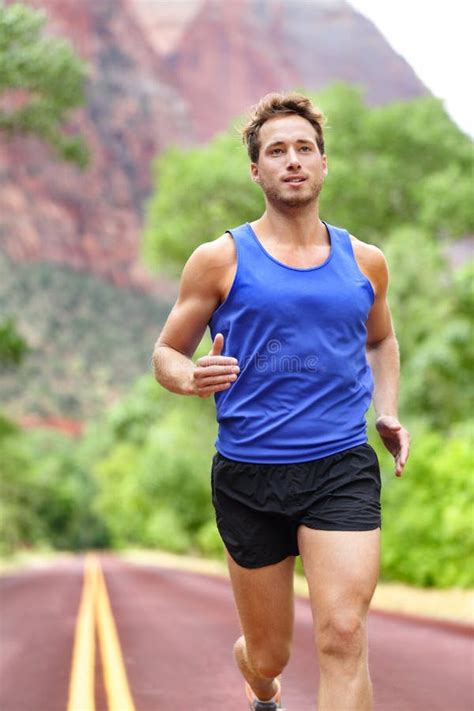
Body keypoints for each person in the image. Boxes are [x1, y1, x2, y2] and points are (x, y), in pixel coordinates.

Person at [152, 92, 410, 711]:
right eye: (276, 151)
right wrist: (191, 378)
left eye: (304, 148)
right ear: (256, 170)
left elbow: (382, 339)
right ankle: (260, 686)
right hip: (249, 474)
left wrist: (387, 408)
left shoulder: (365, 263)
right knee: (271, 655)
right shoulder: (220, 259)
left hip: (341, 467)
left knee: (344, 635)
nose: (292, 160)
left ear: (323, 163)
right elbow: (166, 352)